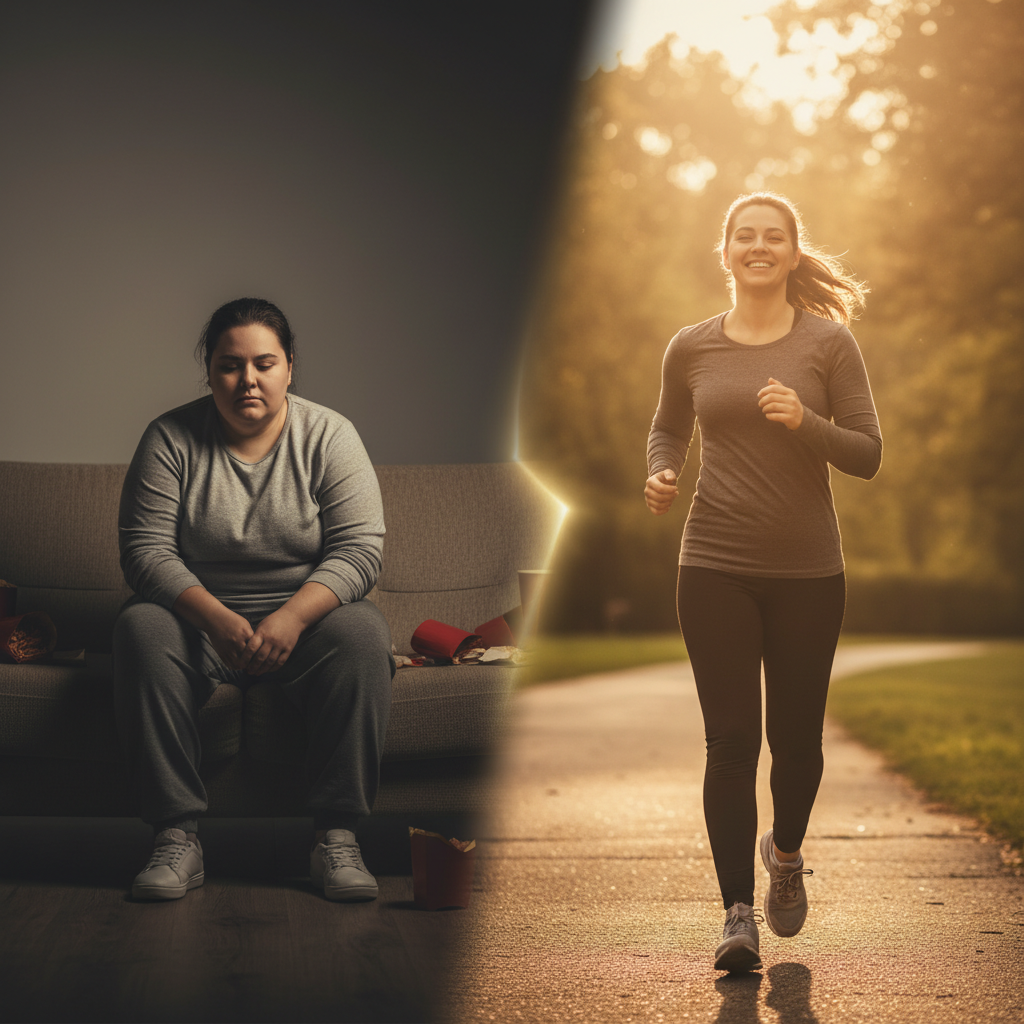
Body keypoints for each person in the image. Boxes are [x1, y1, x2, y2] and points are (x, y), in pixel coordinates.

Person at [644, 193, 881, 972]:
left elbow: (867, 453)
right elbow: (669, 423)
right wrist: (662, 468)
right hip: (712, 563)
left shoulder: (829, 345)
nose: (758, 246)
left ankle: (784, 854)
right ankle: (735, 913)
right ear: (726, 252)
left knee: (797, 744)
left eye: (772, 237)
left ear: (790, 252)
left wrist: (802, 421)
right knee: (731, 741)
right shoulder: (692, 346)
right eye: (745, 235)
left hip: (810, 572)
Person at [113, 297, 395, 902]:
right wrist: (215, 619)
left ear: (290, 367)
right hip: (197, 623)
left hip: (306, 627)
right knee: (139, 627)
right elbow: (144, 553)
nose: (248, 380)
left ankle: (336, 840)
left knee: (365, 633)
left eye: (264, 363)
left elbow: (359, 550)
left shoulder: (330, 435)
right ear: (209, 371)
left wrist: (292, 618)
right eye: (230, 365)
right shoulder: (170, 438)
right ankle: (175, 838)